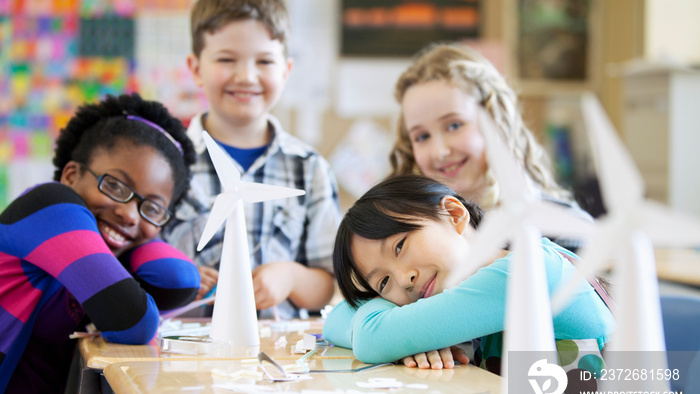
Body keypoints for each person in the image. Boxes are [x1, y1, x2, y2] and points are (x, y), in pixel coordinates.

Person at [0, 93, 200, 394]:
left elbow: (179, 279)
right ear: (71, 175)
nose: (128, 213)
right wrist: (138, 238)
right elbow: (132, 320)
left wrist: (141, 242)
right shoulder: (51, 206)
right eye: (115, 186)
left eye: (152, 207)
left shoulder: (100, 253)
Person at [322, 175, 615, 373]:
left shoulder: (521, 272)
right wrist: (404, 336)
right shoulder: (480, 280)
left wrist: (398, 335)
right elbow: (335, 319)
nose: (403, 279)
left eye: (400, 246)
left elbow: (371, 338)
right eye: (382, 282)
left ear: (454, 215)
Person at [161, 0, 341, 319]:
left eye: (264, 61)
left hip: (280, 357)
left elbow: (327, 283)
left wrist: (291, 277)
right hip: (185, 351)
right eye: (227, 59)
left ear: (286, 71)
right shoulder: (166, 162)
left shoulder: (309, 168)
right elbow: (135, 261)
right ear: (196, 68)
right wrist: (174, 275)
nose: (246, 76)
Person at [390, 42, 591, 251]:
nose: (440, 151)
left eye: (454, 125)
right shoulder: (406, 242)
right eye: (422, 136)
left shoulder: (565, 230)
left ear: (496, 119)